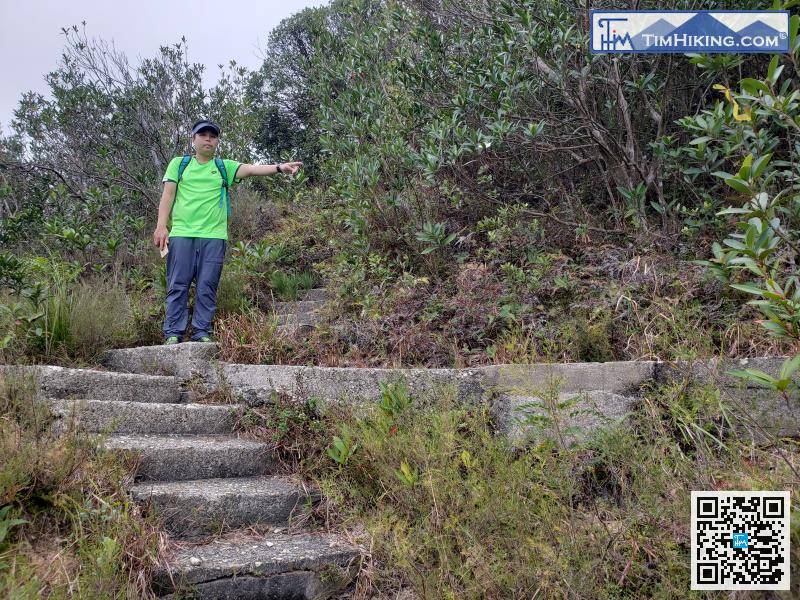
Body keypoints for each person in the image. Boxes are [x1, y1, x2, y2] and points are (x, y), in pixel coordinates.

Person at [152, 119, 302, 344]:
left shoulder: (224, 167)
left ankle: (202, 332)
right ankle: (173, 332)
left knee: (207, 286)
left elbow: (251, 169)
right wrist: (161, 226)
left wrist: (280, 167)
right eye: (203, 135)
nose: (208, 139)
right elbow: (168, 195)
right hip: (182, 234)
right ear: (193, 139)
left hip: (214, 237)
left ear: (217, 141)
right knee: (178, 284)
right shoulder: (179, 164)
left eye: (212, 136)